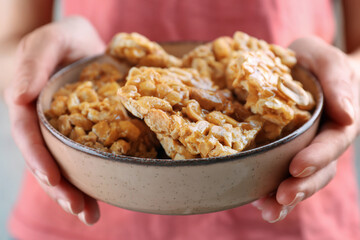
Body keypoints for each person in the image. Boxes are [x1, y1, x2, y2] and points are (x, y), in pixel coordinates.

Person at [2, 0, 359, 239]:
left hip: (290, 190)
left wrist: (342, 83)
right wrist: (31, 68)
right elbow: (9, 41)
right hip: (86, 188)